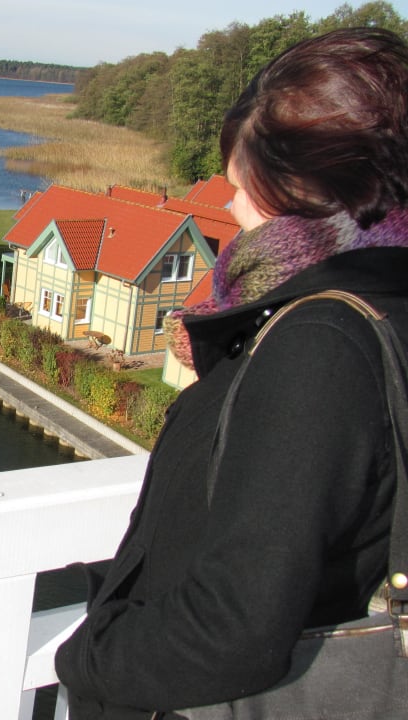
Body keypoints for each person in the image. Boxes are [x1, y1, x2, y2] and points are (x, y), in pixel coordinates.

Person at [54, 27, 408, 719]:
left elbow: (234, 626)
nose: (229, 201)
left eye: (246, 179)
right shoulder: (383, 304)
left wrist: (86, 656)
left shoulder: (320, 339)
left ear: (313, 183)